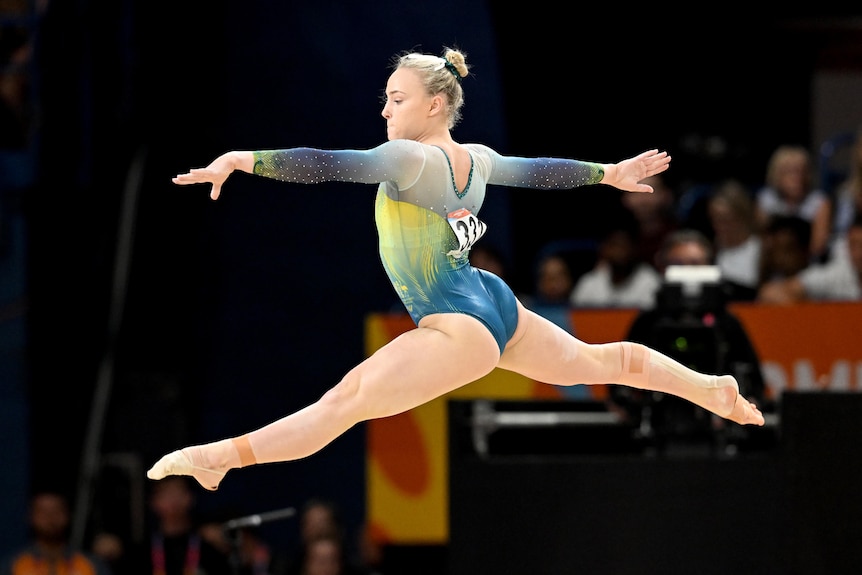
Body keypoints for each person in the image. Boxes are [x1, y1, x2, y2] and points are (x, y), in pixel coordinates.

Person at [146, 46, 764, 492]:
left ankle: (220, 457)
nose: (384, 111)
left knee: (344, 403)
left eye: (396, 98)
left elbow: (325, 163)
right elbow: (542, 171)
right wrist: (608, 174)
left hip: (455, 322)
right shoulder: (478, 159)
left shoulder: (406, 158)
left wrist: (242, 158)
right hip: (490, 300)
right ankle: (708, 387)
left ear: (435, 104)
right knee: (598, 361)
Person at [610, 229, 768, 453]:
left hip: (715, 437)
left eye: (695, 264)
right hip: (660, 434)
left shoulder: (727, 324)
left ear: (710, 266)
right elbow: (618, 385)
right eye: (678, 264)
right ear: (663, 268)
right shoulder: (649, 322)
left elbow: (755, 384)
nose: (687, 273)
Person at [130, 476, 232, 575]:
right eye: (166, 494)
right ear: (153, 502)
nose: (174, 500)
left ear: (191, 497)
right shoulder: (142, 551)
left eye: (178, 492)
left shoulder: (208, 543)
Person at [1, 490, 112, 575]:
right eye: (43, 512)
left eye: (56, 511)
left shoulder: (90, 564)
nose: (50, 518)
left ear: (68, 515)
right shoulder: (13, 565)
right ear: (31, 517)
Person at [758, 213, 862, 303]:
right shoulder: (839, 274)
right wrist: (813, 315)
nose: (859, 253)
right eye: (853, 245)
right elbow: (769, 292)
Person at [754, 144, 832, 261]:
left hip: (807, 263)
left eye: (801, 171)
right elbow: (762, 241)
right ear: (776, 174)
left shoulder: (819, 202)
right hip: (773, 262)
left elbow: (818, 247)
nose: (797, 177)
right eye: (790, 172)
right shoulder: (766, 200)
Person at [569, 220, 662, 310]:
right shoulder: (589, 282)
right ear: (603, 249)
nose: (619, 252)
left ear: (635, 249)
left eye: (624, 246)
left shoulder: (651, 282)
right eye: (614, 245)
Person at [706, 179, 761, 300]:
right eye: (715, 219)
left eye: (726, 219)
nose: (719, 226)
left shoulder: (761, 249)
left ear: (742, 216)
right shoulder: (711, 249)